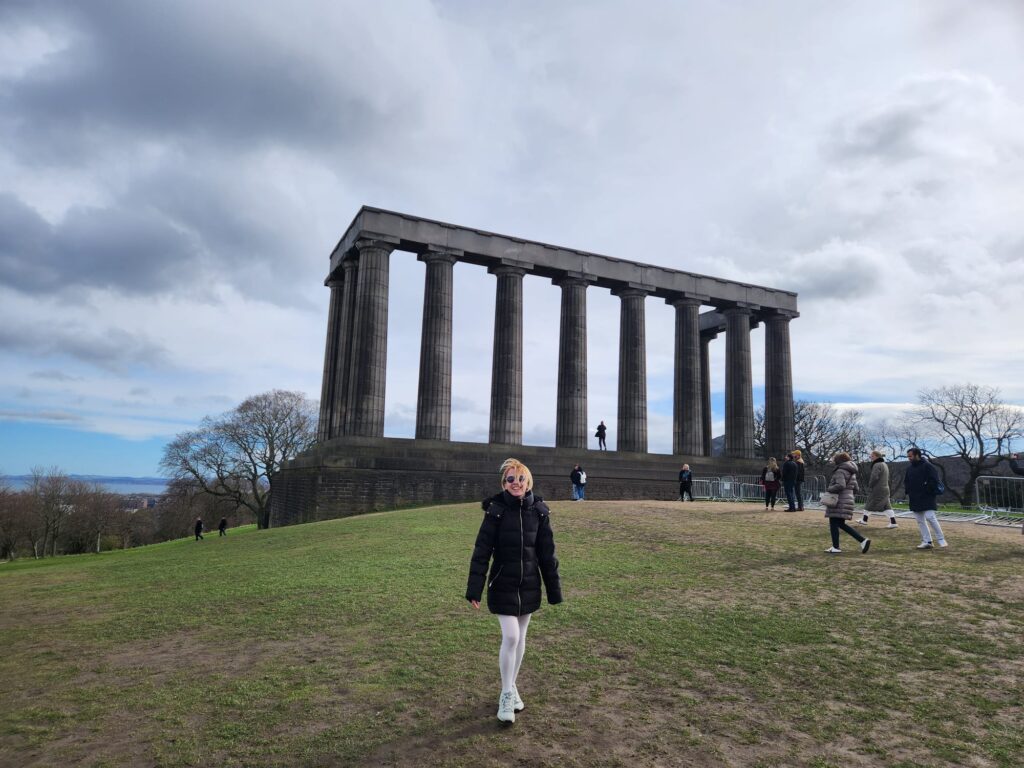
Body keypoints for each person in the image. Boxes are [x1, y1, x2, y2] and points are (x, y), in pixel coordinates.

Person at [466, 458, 563, 724]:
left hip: (529, 585)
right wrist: (474, 588)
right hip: (503, 585)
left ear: (528, 481)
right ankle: (507, 694)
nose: (516, 483)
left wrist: (554, 590)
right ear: (504, 483)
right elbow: (481, 552)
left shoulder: (539, 512)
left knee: (521, 639)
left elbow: (547, 555)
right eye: (511, 479)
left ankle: (511, 686)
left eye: (520, 478)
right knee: (511, 636)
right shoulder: (495, 512)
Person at [823, 452, 870, 554]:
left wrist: (829, 489)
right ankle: (862, 540)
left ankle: (836, 547)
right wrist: (848, 495)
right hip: (847, 500)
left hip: (838, 501)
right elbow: (856, 488)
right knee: (840, 524)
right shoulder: (852, 472)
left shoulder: (840, 471)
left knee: (833, 523)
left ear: (838, 461)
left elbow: (840, 485)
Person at [904, 447, 948, 549]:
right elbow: (906, 481)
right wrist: (908, 491)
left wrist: (927, 489)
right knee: (920, 520)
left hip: (927, 496)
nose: (909, 458)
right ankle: (927, 541)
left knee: (930, 517)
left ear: (917, 455)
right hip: (914, 497)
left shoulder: (928, 466)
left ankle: (941, 539)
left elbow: (934, 480)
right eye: (908, 456)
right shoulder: (909, 468)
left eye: (910, 456)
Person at [856, 451, 898, 528]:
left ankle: (864, 520)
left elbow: (874, 477)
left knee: (869, 504)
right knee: (887, 506)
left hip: (877, 489)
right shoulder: (884, 464)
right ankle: (893, 522)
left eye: (872, 456)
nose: (870, 457)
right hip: (885, 488)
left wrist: (870, 485)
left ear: (876, 456)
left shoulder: (877, 464)